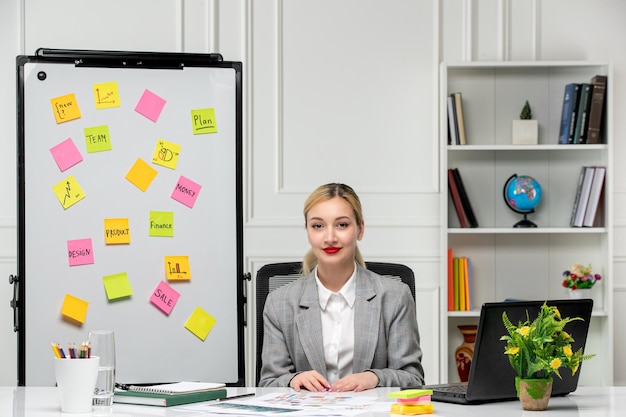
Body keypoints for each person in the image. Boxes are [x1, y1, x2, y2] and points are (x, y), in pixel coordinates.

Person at [258, 183, 424, 391]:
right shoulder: (279, 302)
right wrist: (293, 380)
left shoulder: (395, 296)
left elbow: (412, 378)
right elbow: (269, 382)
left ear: (360, 229)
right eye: (318, 226)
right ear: (308, 231)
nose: (330, 238)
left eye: (342, 225)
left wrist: (374, 378)